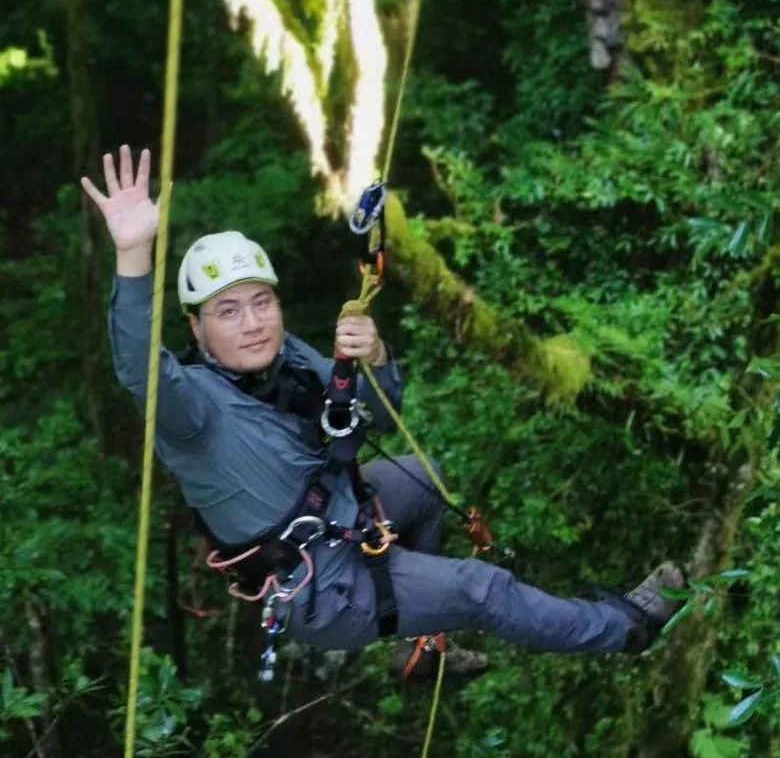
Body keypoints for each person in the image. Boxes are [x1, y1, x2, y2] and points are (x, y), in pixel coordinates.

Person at [82, 145, 684, 677]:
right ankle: (627, 628)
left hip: (345, 517)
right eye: (229, 311)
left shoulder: (285, 362)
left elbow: (371, 414)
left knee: (423, 479)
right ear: (196, 326)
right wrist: (133, 254)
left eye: (261, 302)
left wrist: (375, 354)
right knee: (484, 586)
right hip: (326, 588)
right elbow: (139, 367)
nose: (253, 323)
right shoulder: (190, 409)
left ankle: (422, 642)